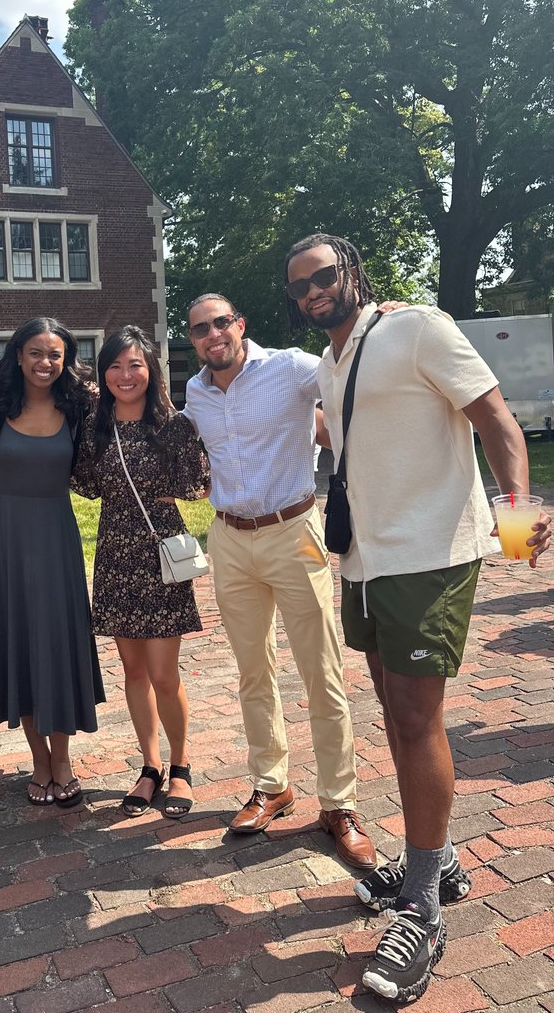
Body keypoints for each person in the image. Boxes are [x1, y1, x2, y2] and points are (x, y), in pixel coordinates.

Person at [285, 233, 551, 1004]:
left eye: (325, 276)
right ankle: (439, 856)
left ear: (353, 272)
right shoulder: (334, 362)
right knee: (398, 719)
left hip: (429, 550)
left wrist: (519, 507)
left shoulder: (418, 327)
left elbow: (496, 417)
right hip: (365, 560)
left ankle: (425, 905)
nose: (313, 292)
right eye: (300, 285)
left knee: (413, 715)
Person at [181, 293, 377, 868]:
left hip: (294, 531)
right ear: (191, 339)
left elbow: (347, 378)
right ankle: (272, 785)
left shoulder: (289, 367)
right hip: (228, 537)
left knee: (322, 672)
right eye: (200, 329)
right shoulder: (195, 392)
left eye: (222, 323)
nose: (213, 334)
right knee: (252, 672)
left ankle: (339, 803)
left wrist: (376, 319)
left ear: (241, 324)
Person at [0, 318, 103, 807]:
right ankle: (38, 758)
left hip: (56, 537)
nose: (46, 363)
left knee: (56, 644)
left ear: (67, 360)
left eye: (56, 354)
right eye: (36, 353)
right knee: (17, 642)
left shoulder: (80, 405)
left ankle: (61, 758)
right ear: (18, 355)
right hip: (4, 537)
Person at [73, 327, 210, 818]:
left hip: (159, 557)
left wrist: (174, 474)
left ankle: (181, 765)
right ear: (104, 372)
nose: (125, 375)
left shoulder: (172, 425)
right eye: (115, 366)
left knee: (163, 674)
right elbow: (86, 483)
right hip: (114, 555)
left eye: (135, 365)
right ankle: (149, 767)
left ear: (150, 370)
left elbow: (197, 485)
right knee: (133, 672)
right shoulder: (96, 427)